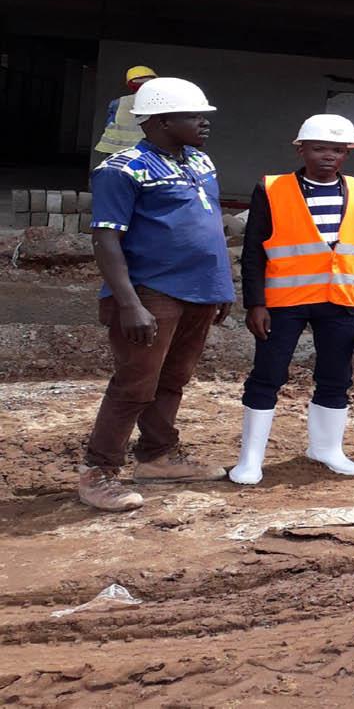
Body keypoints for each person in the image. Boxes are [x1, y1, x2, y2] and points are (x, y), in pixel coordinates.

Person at [78, 77, 234, 511]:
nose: (204, 123)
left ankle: (158, 457)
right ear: (163, 121)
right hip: (151, 292)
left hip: (199, 292)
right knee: (134, 384)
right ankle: (99, 471)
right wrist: (129, 302)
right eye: (195, 117)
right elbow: (106, 240)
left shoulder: (201, 161)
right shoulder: (121, 169)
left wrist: (220, 285)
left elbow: (208, 228)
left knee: (173, 379)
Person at [229, 114, 354, 485]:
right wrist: (256, 303)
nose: (328, 156)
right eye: (319, 148)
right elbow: (253, 252)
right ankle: (250, 460)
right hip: (284, 301)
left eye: (338, 149)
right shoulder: (272, 188)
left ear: (347, 154)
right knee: (267, 375)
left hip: (341, 299)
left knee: (336, 376)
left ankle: (326, 449)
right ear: (301, 150)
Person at [93, 65, 158, 164]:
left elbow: (110, 125)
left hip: (117, 151)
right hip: (147, 152)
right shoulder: (161, 103)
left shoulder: (118, 103)